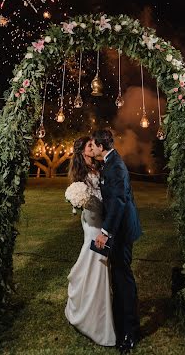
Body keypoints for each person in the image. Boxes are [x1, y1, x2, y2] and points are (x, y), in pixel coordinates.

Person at [92, 129, 142, 354]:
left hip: (121, 230)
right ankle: (121, 324)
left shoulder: (116, 166)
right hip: (117, 229)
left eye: (94, 145)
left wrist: (105, 231)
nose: (92, 148)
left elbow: (119, 201)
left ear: (102, 146)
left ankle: (130, 332)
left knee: (123, 278)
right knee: (118, 277)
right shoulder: (108, 163)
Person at [65, 136, 116, 346]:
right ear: (82, 151)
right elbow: (86, 197)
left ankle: (91, 304)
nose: (92, 147)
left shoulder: (98, 167)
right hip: (92, 220)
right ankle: (93, 319)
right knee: (97, 259)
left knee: (98, 261)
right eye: (89, 146)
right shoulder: (80, 172)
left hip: (101, 218)